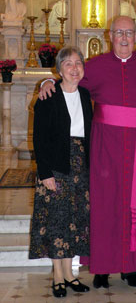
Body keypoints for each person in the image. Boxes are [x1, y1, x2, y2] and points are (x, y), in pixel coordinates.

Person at [39, 15, 136, 288]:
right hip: (104, 148)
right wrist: (45, 82)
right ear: (110, 36)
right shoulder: (95, 66)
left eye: (129, 33)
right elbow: (69, 80)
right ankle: (102, 267)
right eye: (119, 33)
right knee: (104, 207)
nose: (124, 38)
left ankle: (131, 267)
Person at [29, 46, 93, 298]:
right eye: (68, 63)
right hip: (56, 165)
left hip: (80, 166)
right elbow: (39, 138)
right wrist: (45, 172)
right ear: (59, 69)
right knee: (56, 221)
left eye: (79, 63)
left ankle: (69, 274)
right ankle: (58, 276)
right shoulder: (49, 95)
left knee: (74, 221)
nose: (74, 68)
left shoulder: (86, 95)